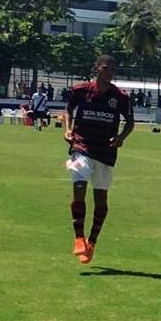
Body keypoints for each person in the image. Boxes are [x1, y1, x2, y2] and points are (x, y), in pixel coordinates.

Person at [64, 54, 135, 264]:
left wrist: (121, 137)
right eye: (105, 68)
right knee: (78, 187)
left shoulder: (120, 97)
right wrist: (68, 129)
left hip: (105, 152)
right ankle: (79, 238)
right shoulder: (80, 90)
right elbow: (69, 109)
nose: (109, 72)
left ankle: (92, 242)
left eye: (112, 69)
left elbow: (130, 122)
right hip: (81, 147)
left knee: (101, 200)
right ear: (96, 68)